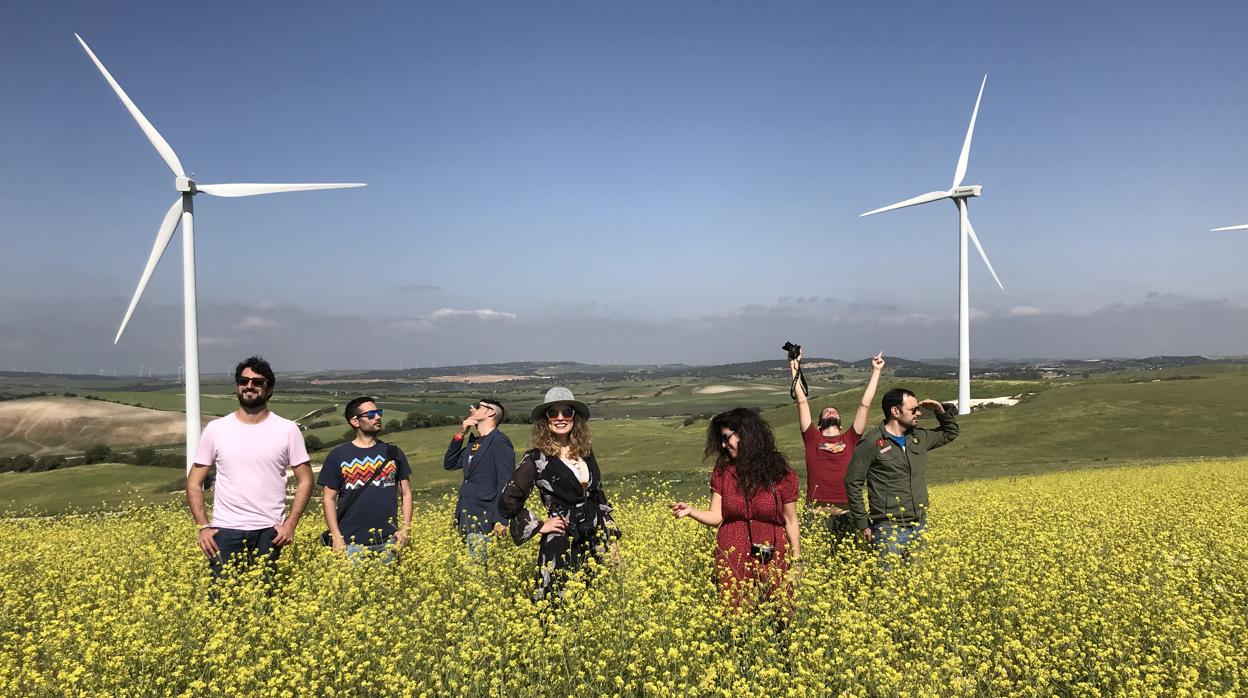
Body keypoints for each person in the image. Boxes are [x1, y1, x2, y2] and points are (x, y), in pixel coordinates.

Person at [186, 356, 313, 587]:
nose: (249, 385)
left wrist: (290, 525)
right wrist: (203, 527)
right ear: (237, 386)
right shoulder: (216, 429)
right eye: (243, 381)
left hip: (269, 532)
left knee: (264, 602)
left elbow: (305, 480)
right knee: (222, 603)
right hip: (224, 532)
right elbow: (194, 482)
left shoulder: (287, 430)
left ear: (270, 389)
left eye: (257, 381)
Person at [671, 408, 800, 609]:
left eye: (726, 438)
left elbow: (790, 519)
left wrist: (797, 559)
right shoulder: (723, 472)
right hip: (733, 551)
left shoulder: (779, 471)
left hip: (773, 550)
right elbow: (716, 515)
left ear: (746, 434)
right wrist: (692, 511)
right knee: (735, 612)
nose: (723, 445)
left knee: (781, 611)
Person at [499, 387, 620, 601]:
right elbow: (508, 499)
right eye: (553, 413)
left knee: (594, 602)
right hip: (562, 540)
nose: (560, 418)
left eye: (567, 412)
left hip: (594, 538)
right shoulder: (536, 458)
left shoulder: (585, 452)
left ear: (575, 418)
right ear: (545, 421)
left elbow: (598, 497)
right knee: (557, 602)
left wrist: (611, 540)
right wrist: (539, 526)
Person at [844, 388, 959, 565]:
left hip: (919, 524)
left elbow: (950, 433)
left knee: (918, 583)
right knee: (888, 588)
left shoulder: (918, 437)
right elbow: (853, 482)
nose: (919, 414)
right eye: (913, 410)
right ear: (895, 411)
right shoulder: (872, 442)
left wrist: (940, 411)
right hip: (888, 528)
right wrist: (862, 523)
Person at [790, 350, 885, 544]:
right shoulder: (811, 437)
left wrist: (876, 371)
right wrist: (794, 364)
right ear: (819, 424)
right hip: (816, 514)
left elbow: (864, 405)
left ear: (840, 424)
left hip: (847, 511)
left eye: (834, 411)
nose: (831, 411)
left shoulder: (851, 438)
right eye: (826, 412)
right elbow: (801, 401)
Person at [318, 397, 413, 562]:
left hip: (389, 541)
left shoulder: (393, 453)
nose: (378, 417)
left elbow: (406, 494)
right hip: (350, 543)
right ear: (355, 421)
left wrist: (405, 529)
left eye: (378, 413)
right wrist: (336, 537)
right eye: (371, 414)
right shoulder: (338, 455)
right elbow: (328, 498)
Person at [443, 398, 514, 562]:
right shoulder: (474, 442)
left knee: (477, 571)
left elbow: (506, 482)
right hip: (466, 515)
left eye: (478, 406)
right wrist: (461, 434)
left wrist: (501, 520)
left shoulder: (499, 441)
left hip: (485, 517)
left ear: (491, 412)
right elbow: (450, 463)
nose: (472, 409)